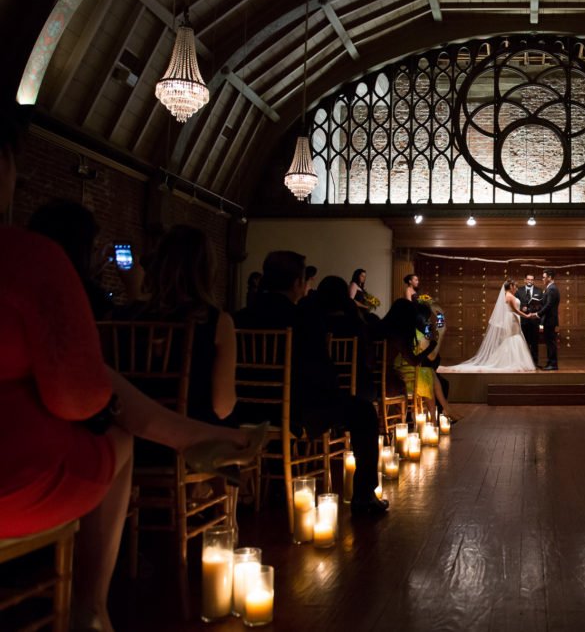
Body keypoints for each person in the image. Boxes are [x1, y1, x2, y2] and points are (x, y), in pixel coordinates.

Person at [0, 102, 262, 632]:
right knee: (116, 433)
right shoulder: (27, 258)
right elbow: (81, 396)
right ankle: (91, 607)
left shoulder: (128, 313)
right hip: (17, 483)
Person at [234, 251, 386, 514]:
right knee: (364, 412)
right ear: (297, 282)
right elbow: (321, 374)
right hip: (296, 410)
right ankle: (363, 497)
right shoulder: (301, 318)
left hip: (244, 410)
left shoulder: (239, 318)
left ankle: (274, 484)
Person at [116, 225, 237, 425]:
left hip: (131, 432)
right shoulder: (217, 322)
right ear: (207, 270)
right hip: (191, 434)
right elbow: (222, 407)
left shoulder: (122, 317)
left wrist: (133, 295)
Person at [443, 279, 537, 372]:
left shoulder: (509, 295)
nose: (516, 288)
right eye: (515, 286)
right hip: (512, 319)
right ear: (511, 286)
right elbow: (514, 310)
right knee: (513, 337)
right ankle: (512, 362)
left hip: (514, 318)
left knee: (514, 337)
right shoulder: (509, 296)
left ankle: (513, 361)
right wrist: (527, 316)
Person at [381, 298, 451, 415]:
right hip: (398, 379)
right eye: (428, 319)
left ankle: (442, 412)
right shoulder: (404, 336)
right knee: (430, 375)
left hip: (380, 377)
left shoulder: (385, 328)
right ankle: (433, 417)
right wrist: (439, 336)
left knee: (434, 376)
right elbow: (419, 359)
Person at [515, 274, 542, 366]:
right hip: (523, 321)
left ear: (534, 281)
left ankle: (534, 363)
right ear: (525, 280)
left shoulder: (539, 291)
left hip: (534, 321)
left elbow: (542, 306)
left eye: (532, 279)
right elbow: (514, 304)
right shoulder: (519, 291)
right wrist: (522, 308)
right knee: (523, 343)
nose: (530, 281)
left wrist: (536, 307)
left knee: (534, 343)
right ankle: (523, 363)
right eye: (528, 279)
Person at [537, 269, 561, 370]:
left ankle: (553, 364)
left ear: (550, 278)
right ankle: (550, 363)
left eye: (544, 277)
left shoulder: (552, 289)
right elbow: (545, 303)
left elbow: (549, 305)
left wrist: (538, 314)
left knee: (551, 343)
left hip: (550, 320)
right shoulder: (549, 288)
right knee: (549, 342)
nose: (542, 279)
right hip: (549, 320)